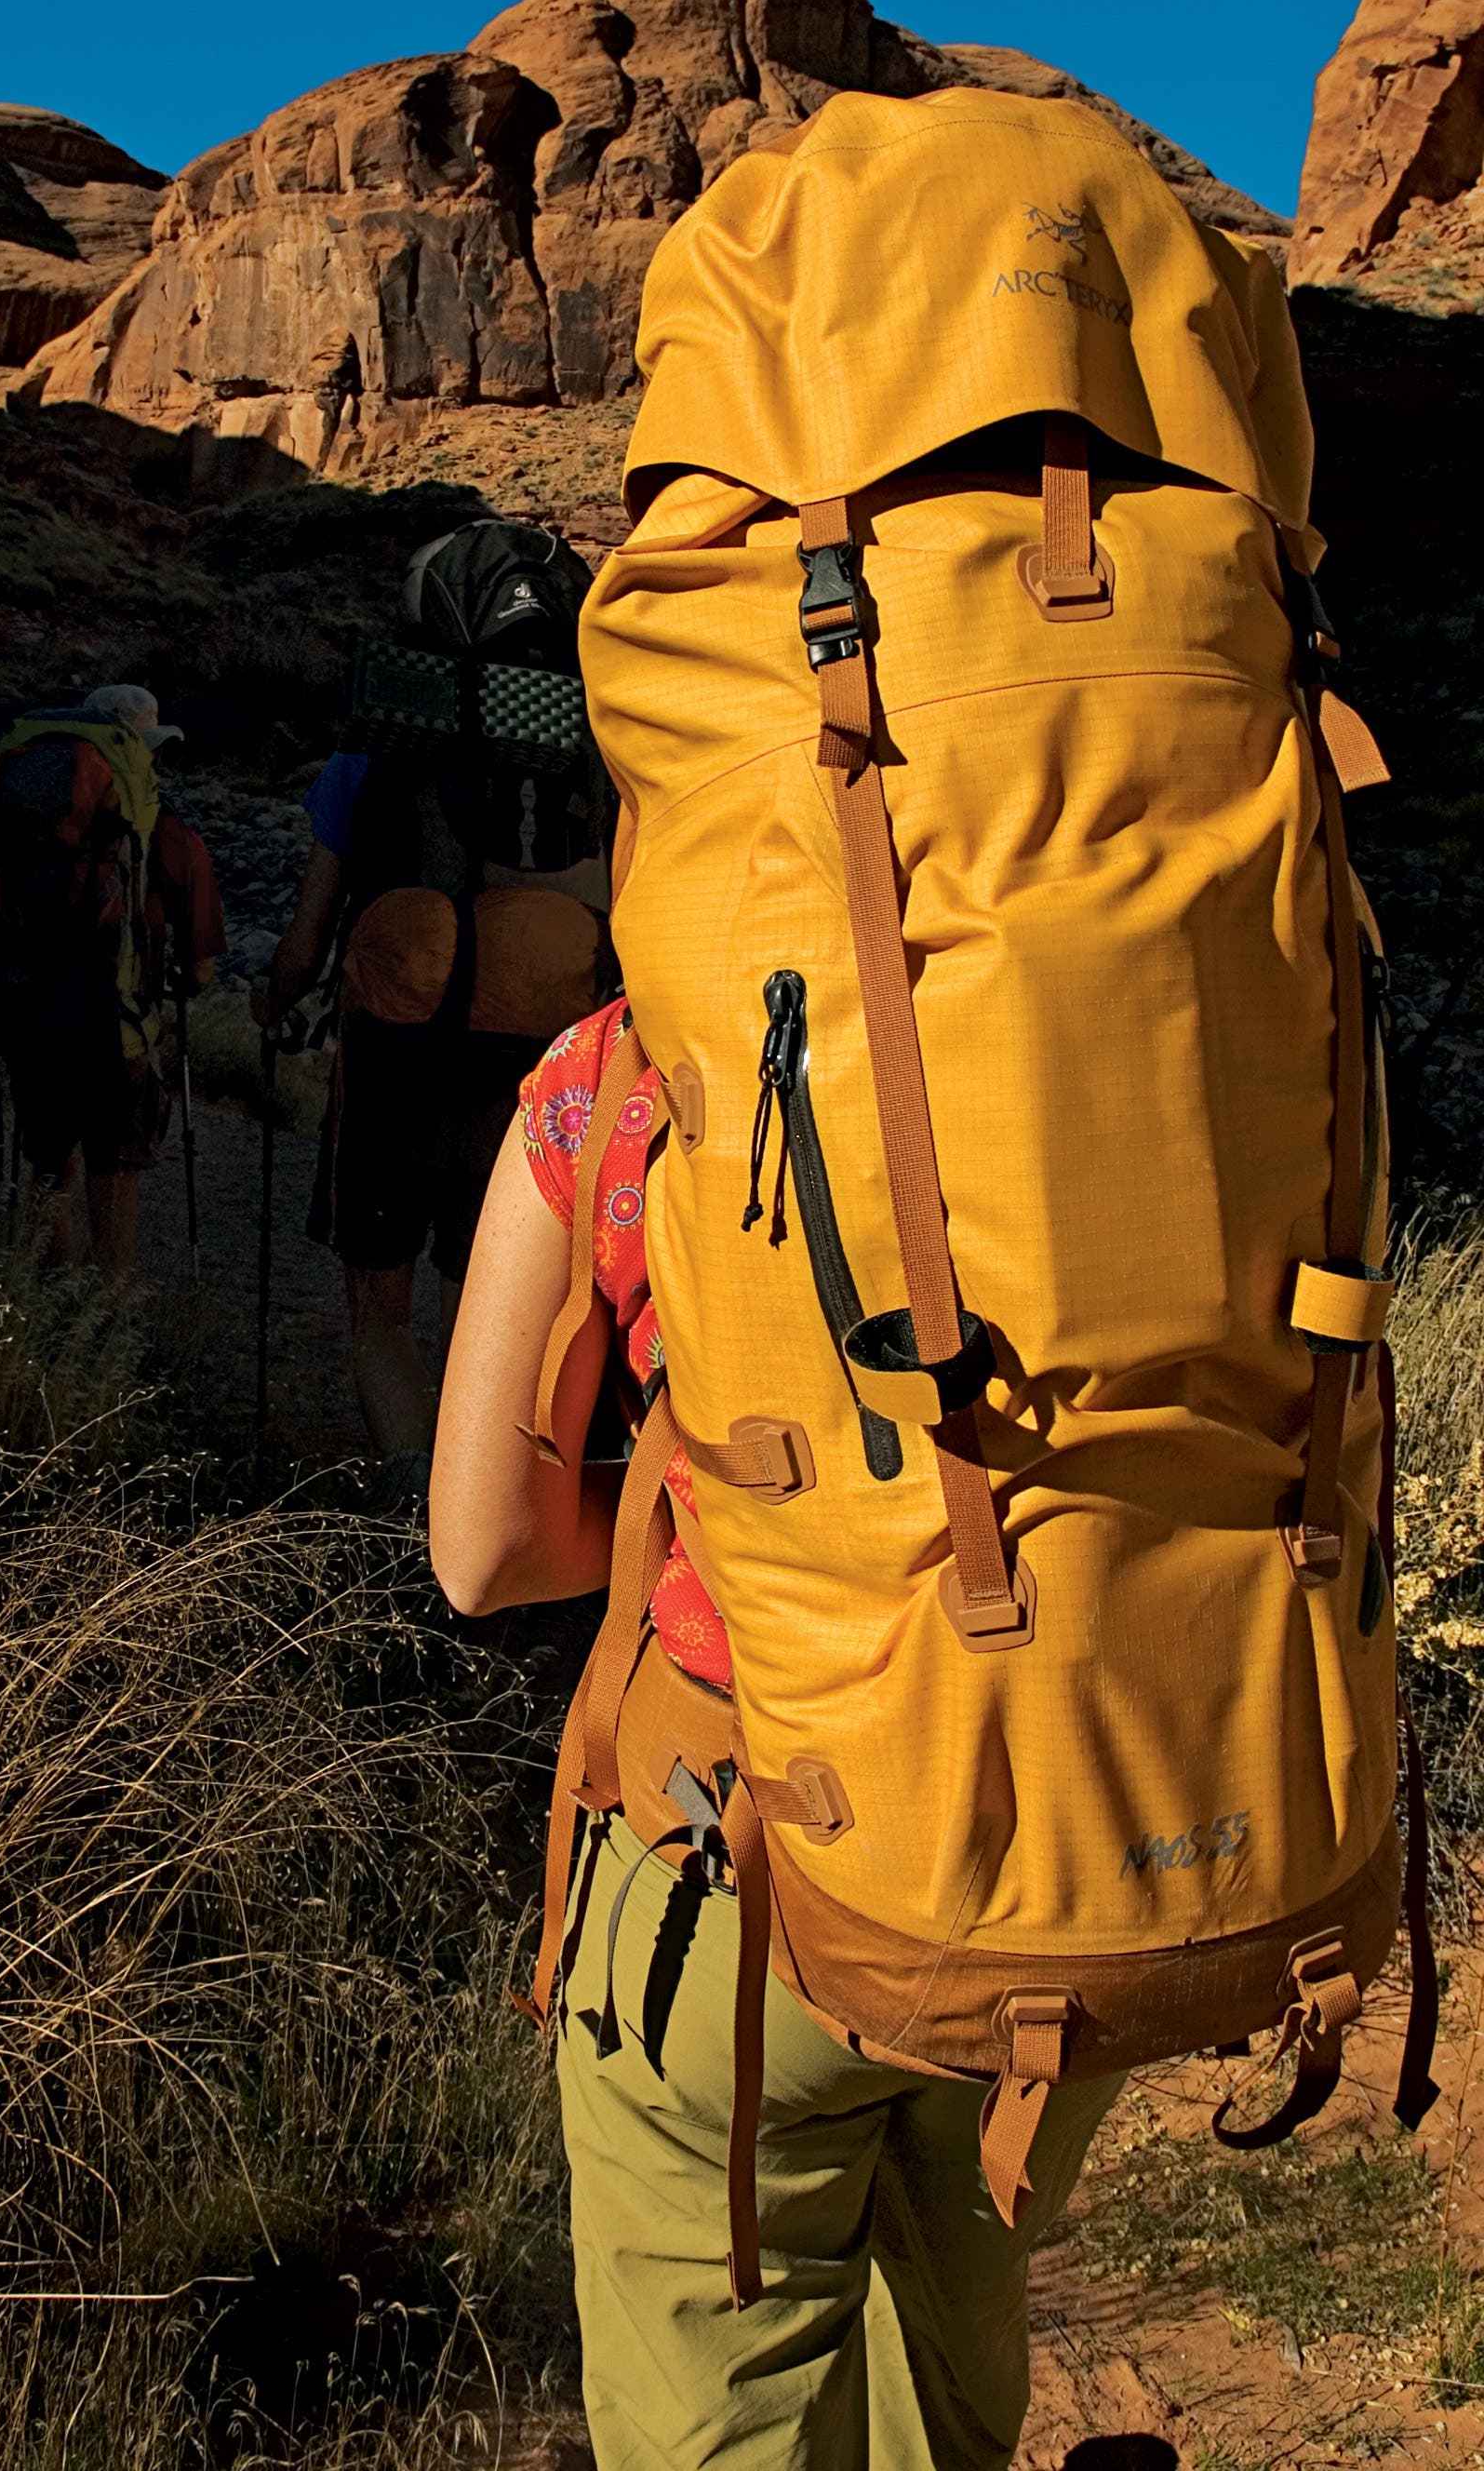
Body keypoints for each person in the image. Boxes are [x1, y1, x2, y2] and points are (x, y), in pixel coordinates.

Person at [431, 998, 1119, 2471]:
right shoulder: (1122, 997)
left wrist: (731, 1518)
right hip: (1064, 1858)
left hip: (736, 1877)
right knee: (946, 2396)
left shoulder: (622, 1066)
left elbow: (483, 1549)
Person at [258, 522, 608, 1511]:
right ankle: (480, 1509)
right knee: (485, 1301)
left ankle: (412, 1500)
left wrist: (272, 998)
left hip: (394, 1061)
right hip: (539, 1070)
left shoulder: (375, 744)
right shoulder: (595, 750)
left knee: (381, 1307)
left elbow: (307, 935)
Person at [0, 681, 225, 1283]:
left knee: (48, 1164)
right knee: (114, 1167)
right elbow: (202, 968)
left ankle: (48, 1297)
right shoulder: (170, 835)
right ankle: (107, 1306)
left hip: (29, 1013)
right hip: (117, 1026)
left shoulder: (31, 818)